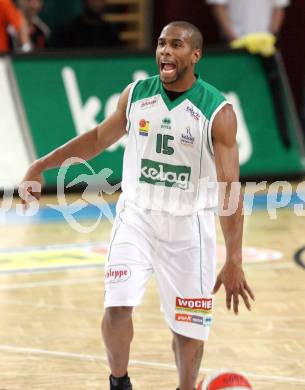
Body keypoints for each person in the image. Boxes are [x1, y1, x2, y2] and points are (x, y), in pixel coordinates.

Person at [19, 21, 254, 390]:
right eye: (161, 43)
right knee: (117, 304)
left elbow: (229, 190)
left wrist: (234, 258)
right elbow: (98, 138)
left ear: (195, 55)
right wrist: (41, 165)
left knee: (188, 326)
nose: (165, 51)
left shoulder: (217, 112)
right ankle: (119, 382)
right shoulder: (136, 95)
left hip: (188, 225)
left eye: (176, 45)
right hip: (137, 217)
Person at [206, 0, 290, 43]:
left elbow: (279, 7)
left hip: (265, 43)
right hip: (232, 42)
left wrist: (271, 37)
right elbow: (218, 6)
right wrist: (234, 39)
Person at [52, 0, 121, 49]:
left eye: (101, 0)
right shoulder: (68, 31)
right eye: (94, 0)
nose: (97, 4)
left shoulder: (110, 31)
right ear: (84, 1)